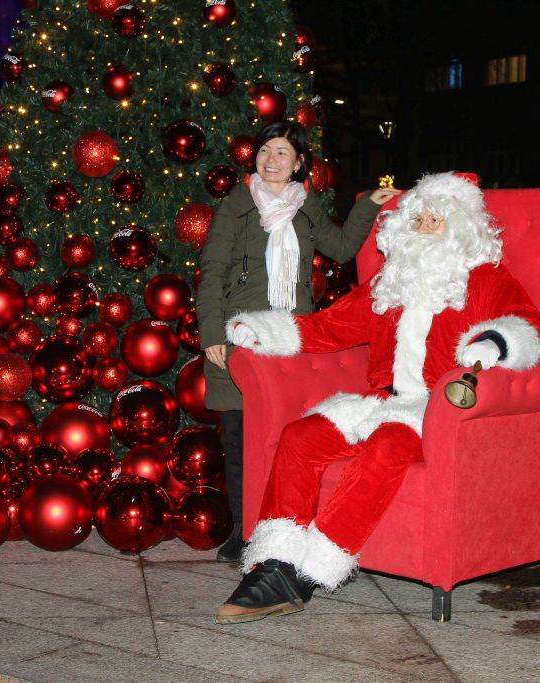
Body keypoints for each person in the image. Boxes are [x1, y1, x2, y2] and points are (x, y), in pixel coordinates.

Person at [214, 171, 540, 624]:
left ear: (460, 228)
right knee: (301, 436)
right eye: (420, 218)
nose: (426, 226)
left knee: (389, 446)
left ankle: (309, 573)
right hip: (381, 401)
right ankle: (274, 561)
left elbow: (528, 326)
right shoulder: (391, 282)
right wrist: (266, 331)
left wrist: (490, 344)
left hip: (435, 408)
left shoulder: (486, 279)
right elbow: (332, 326)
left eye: (437, 219)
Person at [197, 121, 399, 564]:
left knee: (286, 436)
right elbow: (212, 270)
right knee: (241, 438)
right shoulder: (236, 206)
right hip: (241, 337)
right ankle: (243, 530)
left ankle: (287, 526)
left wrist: (368, 204)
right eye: (265, 150)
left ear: (300, 163)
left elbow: (343, 248)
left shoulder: (305, 206)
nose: (271, 160)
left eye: (282, 153)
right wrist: (212, 334)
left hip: (292, 339)